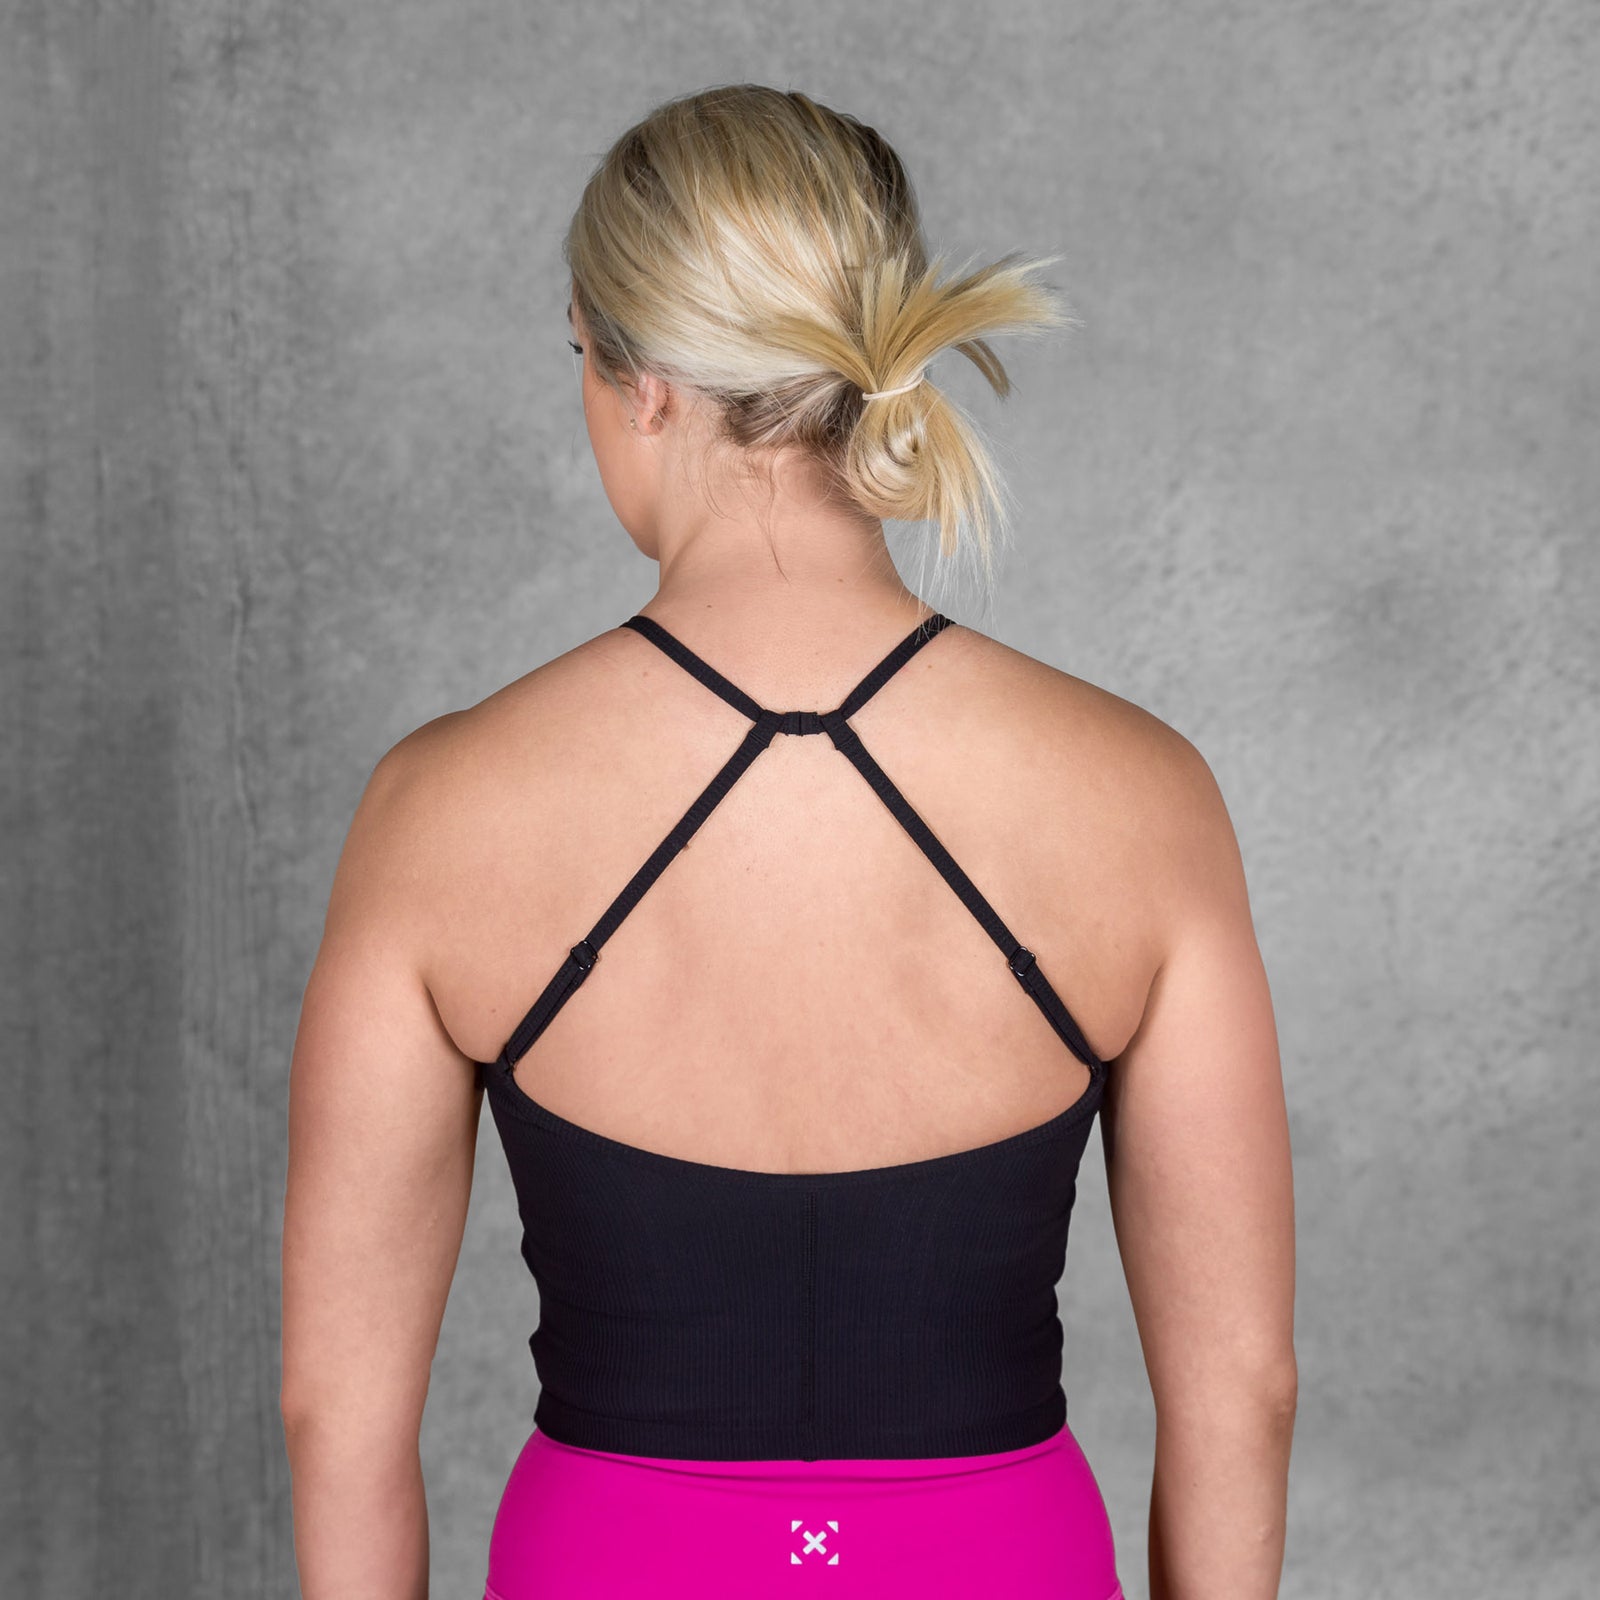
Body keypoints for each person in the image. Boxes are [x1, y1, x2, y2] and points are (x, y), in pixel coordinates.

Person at [280, 83, 1297, 1600]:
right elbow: (1243, 1397)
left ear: (641, 383)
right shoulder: (1143, 794)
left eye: (579, 356)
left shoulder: (440, 809)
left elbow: (336, 1415)